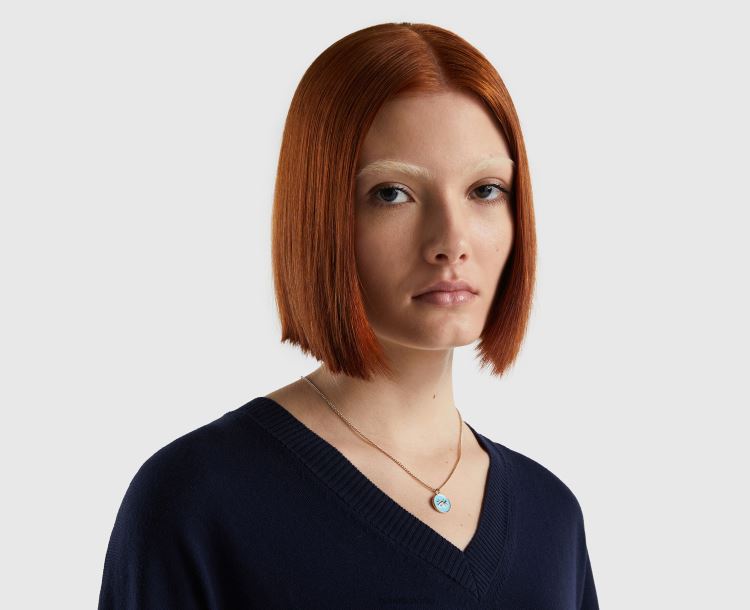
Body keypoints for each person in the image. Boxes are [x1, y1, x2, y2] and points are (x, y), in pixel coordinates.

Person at [98, 22, 599, 609]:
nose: (451, 241)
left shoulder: (551, 517)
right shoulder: (199, 500)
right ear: (319, 215)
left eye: (485, 190)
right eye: (392, 193)